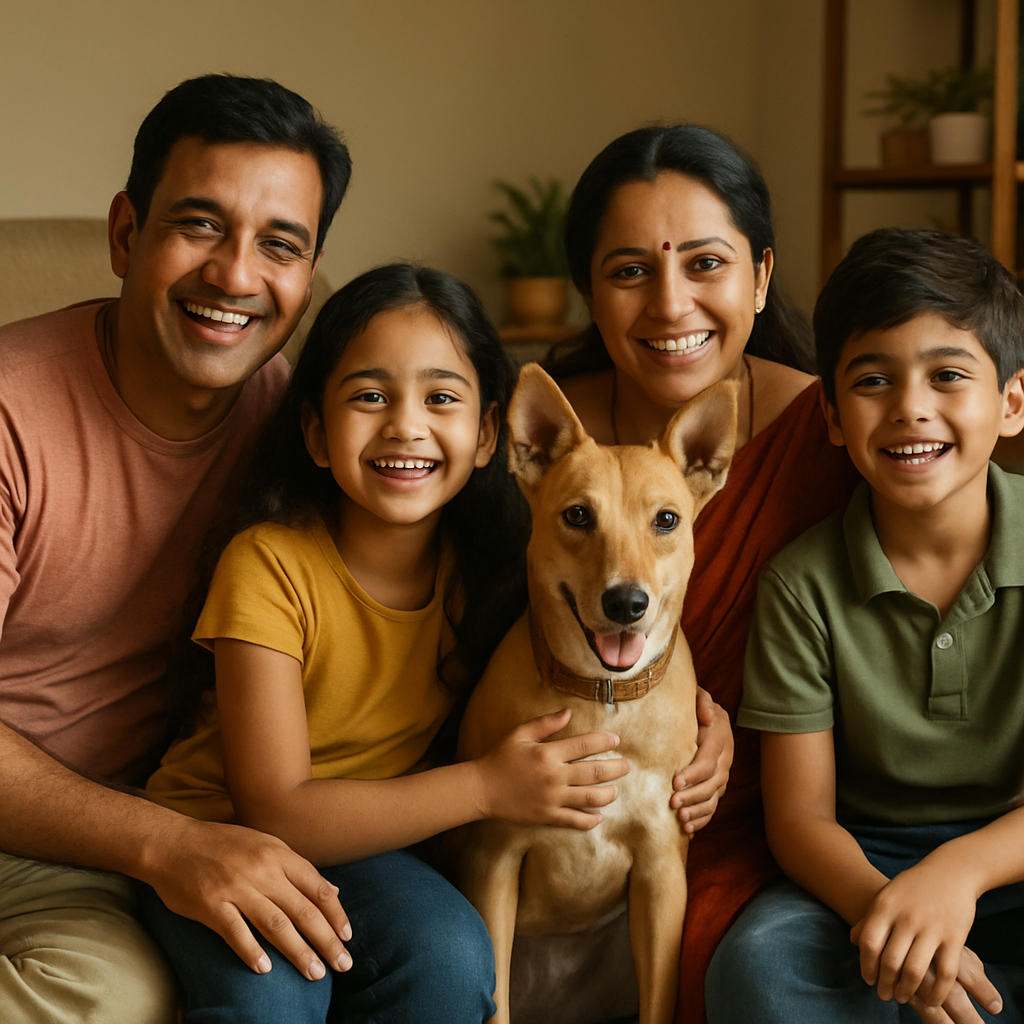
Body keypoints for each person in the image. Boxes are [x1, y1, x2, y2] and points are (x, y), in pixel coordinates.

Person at [141, 262, 633, 1023]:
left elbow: (611, 653)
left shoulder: (496, 574)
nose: (406, 425)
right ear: (314, 430)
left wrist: (707, 723)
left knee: (448, 958)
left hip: (373, 849)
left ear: (488, 436)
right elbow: (278, 809)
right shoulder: (267, 564)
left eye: (441, 398)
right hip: (224, 838)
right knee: (271, 993)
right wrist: (485, 788)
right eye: (370, 396)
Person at [0, 74, 354, 1023]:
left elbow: (464, 582)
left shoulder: (303, 428)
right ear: (127, 233)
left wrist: (668, 698)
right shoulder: (9, 411)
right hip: (98, 826)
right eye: (199, 225)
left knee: (120, 993)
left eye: (280, 245)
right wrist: (165, 844)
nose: (236, 277)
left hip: (89, 845)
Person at [544, 123, 861, 1023]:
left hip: (790, 800)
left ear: (760, 277)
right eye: (630, 271)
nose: (671, 304)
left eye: (706, 265)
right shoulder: (537, 450)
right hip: (577, 792)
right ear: (591, 293)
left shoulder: (833, 429)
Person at [705, 227, 1024, 1024]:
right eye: (874, 380)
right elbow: (801, 820)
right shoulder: (802, 583)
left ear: (1011, 402)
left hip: (1009, 855)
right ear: (833, 417)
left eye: (948, 375)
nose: (911, 407)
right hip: (857, 867)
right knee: (755, 969)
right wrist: (898, 920)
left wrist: (957, 874)